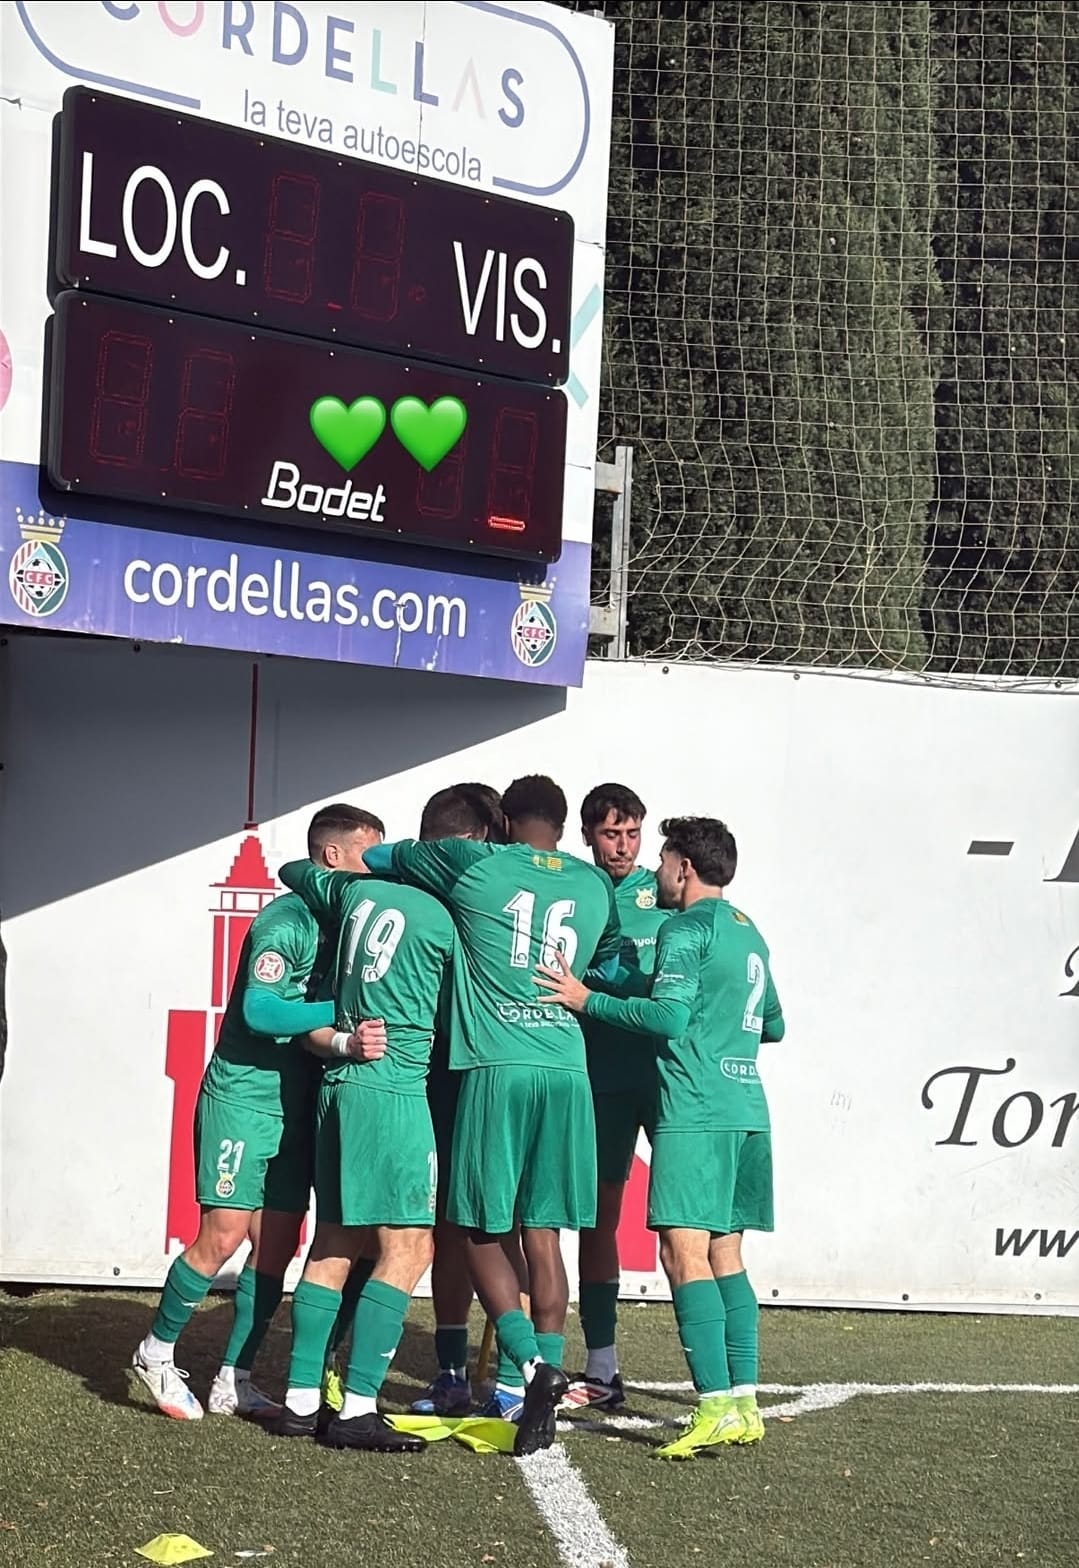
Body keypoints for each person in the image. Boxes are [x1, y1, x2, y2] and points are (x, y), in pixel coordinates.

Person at [358, 775, 622, 1455]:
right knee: (543, 1235)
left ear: (503, 821)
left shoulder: (473, 862)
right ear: (564, 825)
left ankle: (526, 1368)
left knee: (473, 1230)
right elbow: (611, 964)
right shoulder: (595, 884)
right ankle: (527, 1391)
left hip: (492, 1065)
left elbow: (379, 856)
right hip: (566, 1069)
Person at [535, 815, 785, 1460]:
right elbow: (774, 1025)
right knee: (726, 1254)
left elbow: (670, 1019)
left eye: (665, 860)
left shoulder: (685, 928)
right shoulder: (748, 930)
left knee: (682, 1253)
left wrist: (586, 999)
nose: (658, 871)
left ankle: (712, 1405)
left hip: (696, 1109)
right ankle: (743, 1404)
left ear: (684, 867)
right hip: (746, 1106)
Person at [130, 804, 384, 1421]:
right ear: (333, 855)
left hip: (298, 1107)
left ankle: (234, 1378)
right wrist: (341, 1014)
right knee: (222, 1235)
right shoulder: (285, 921)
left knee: (276, 1245)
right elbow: (260, 1012)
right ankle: (155, 1351)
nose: (376, 868)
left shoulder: (348, 925)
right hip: (243, 1099)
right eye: (368, 854)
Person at [272, 852, 457, 1452]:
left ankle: (300, 1401)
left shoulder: (353, 896)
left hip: (339, 1084)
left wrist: (359, 872)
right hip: (392, 1091)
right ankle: (357, 1408)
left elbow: (295, 870)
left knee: (335, 1241)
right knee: (410, 1246)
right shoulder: (444, 915)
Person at [563, 783, 671, 1411]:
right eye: (611, 834)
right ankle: (601, 1366)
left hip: (664, 1079)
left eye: (632, 834)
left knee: (689, 1224)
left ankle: (721, 1382)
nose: (624, 847)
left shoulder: (667, 893)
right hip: (600, 1079)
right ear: (588, 836)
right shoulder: (577, 892)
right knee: (599, 1220)